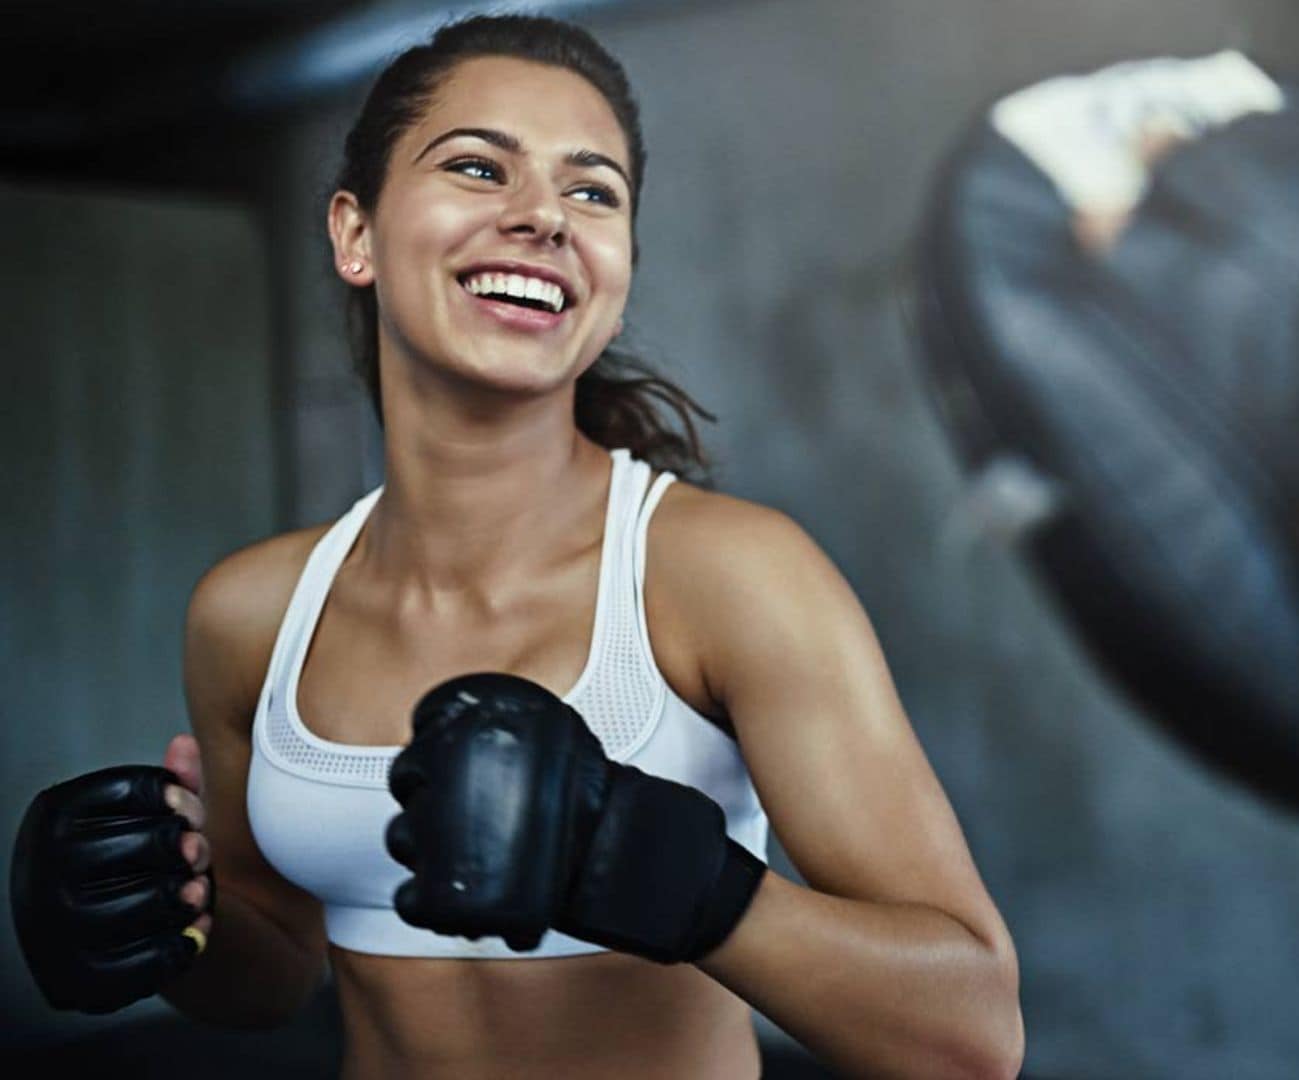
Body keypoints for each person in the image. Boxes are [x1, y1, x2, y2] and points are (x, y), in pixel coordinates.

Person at [14, 16, 1022, 1078]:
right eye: (478, 167)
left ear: (620, 266)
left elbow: (972, 1035)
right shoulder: (252, 611)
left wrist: (684, 884)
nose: (542, 214)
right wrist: (174, 917)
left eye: (593, 192)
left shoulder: (723, 578)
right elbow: (272, 975)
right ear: (355, 234)